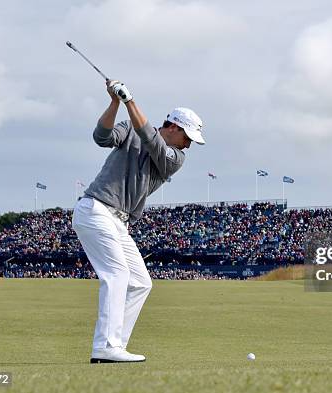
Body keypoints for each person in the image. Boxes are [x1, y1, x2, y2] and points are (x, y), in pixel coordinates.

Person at [72, 80, 205, 363]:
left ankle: (114, 345)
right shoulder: (129, 127)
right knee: (118, 275)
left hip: (119, 221)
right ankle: (106, 347)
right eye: (188, 137)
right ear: (174, 127)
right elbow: (102, 137)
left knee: (141, 282)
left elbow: (152, 142)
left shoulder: (175, 157)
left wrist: (131, 101)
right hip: (96, 209)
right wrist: (115, 103)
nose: (189, 145)